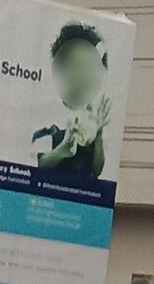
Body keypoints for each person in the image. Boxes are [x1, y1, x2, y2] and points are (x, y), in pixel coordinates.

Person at [32, 22, 111, 178]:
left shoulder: (96, 115)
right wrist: (62, 151)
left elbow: (97, 171)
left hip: (81, 197)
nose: (79, 74)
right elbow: (38, 165)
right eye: (73, 64)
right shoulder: (46, 112)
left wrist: (100, 133)